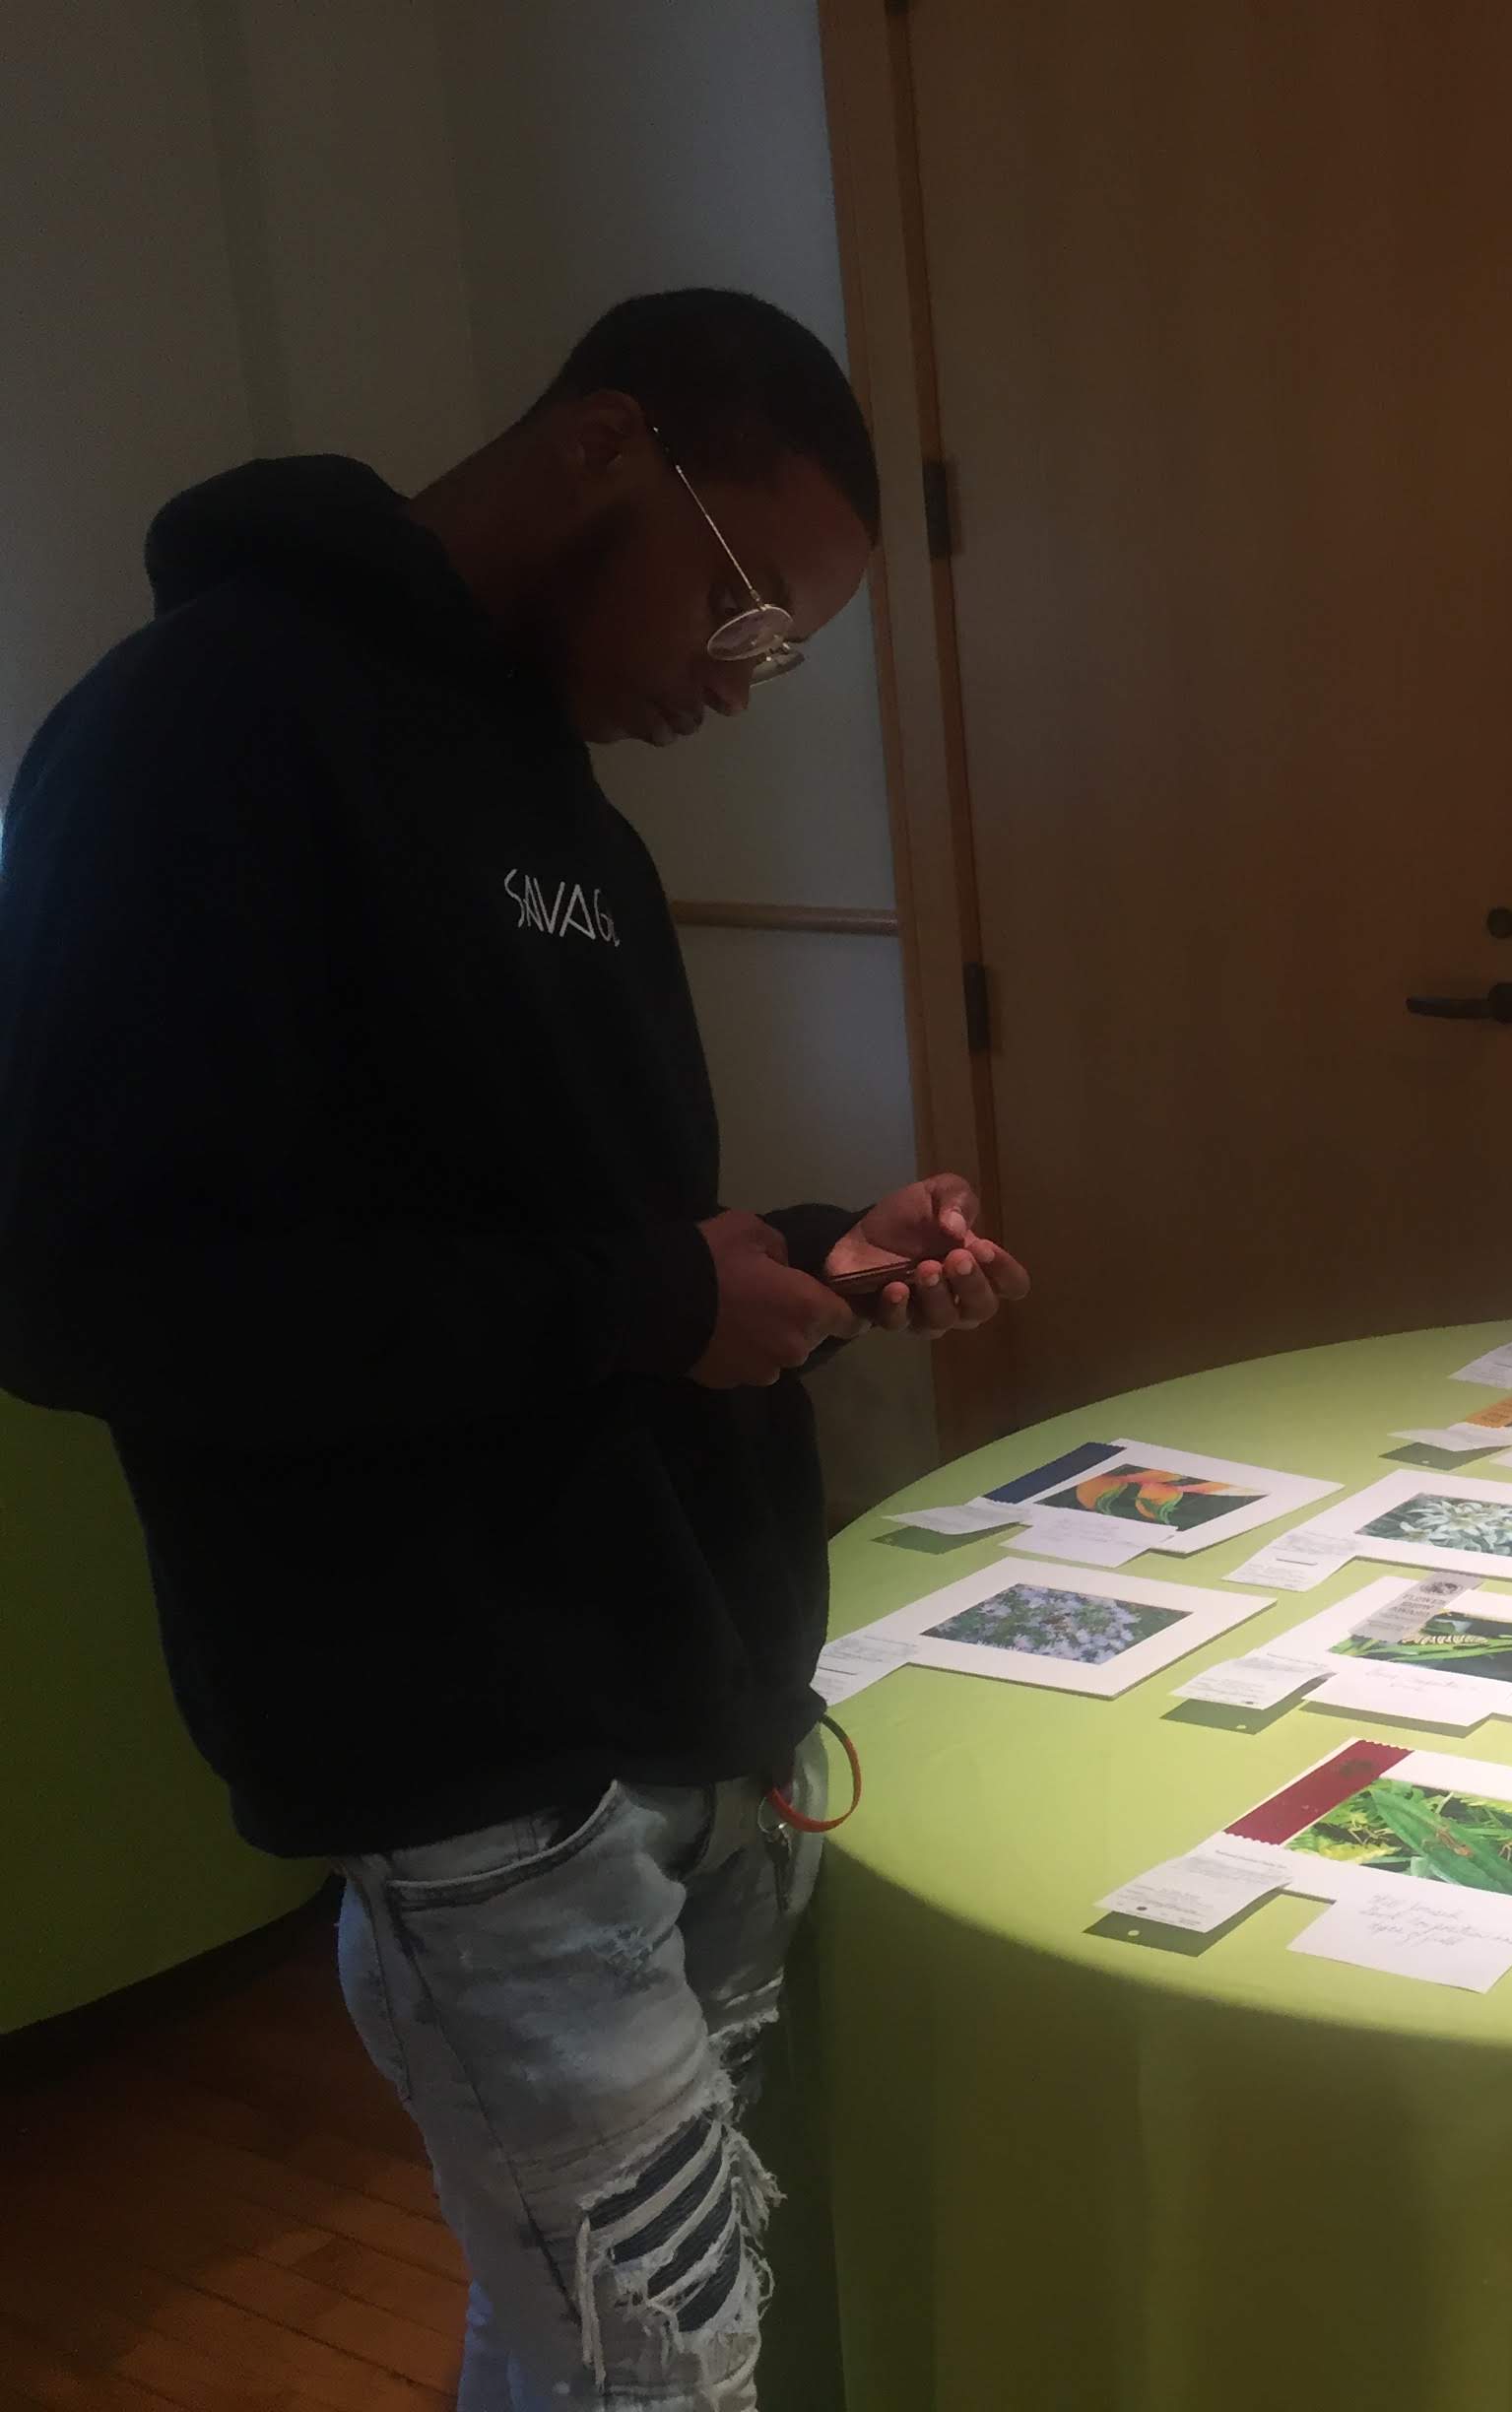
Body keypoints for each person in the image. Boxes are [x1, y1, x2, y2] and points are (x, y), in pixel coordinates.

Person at [0, 289, 1031, 2410]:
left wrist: (812, 1258)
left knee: (636, 2337)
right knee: (654, 2368)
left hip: (679, 1701)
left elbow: (569, 1242)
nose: (736, 677)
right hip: (477, 1756)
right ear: (602, 446)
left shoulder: (555, 805)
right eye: (739, 601)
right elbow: (88, 1294)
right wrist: (652, 1301)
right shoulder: (202, 733)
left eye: (779, 647)